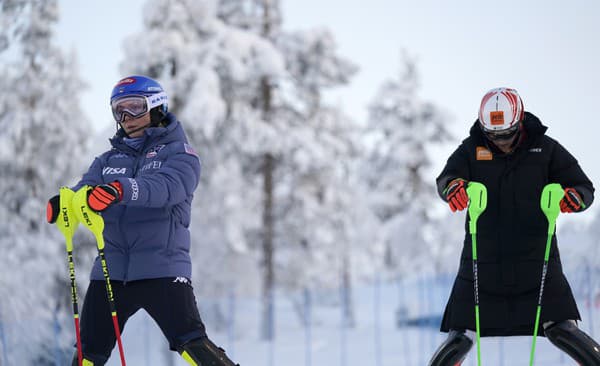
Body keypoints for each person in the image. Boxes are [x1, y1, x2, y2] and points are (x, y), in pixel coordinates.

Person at [47, 75, 238, 366]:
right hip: (110, 272)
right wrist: (66, 203)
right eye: (118, 109)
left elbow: (166, 188)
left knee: (190, 340)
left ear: (157, 106)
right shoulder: (106, 160)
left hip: (161, 268)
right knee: (89, 351)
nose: (126, 117)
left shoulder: (181, 155)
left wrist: (121, 190)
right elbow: (84, 189)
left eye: (135, 107)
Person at [429, 87, 600, 365]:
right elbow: (447, 178)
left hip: (538, 263)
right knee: (458, 340)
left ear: (519, 122)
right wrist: (453, 187)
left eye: (506, 134)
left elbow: (584, 187)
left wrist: (575, 198)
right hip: (480, 264)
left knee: (562, 330)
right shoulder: (471, 149)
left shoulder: (546, 149)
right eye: (493, 136)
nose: (500, 142)